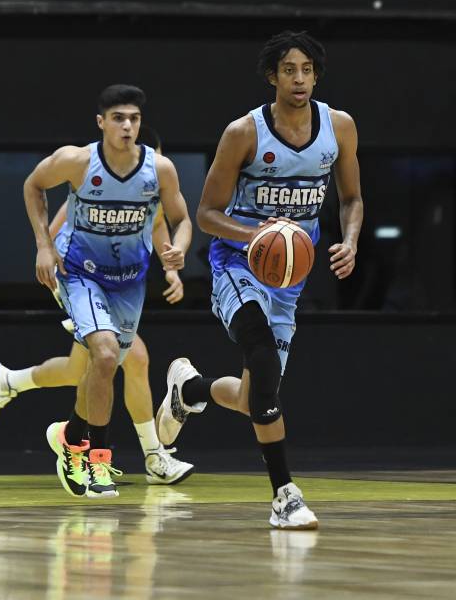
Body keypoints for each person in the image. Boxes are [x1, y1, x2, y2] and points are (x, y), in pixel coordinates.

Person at [155, 31, 363, 529]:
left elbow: (352, 199)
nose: (299, 79)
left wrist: (351, 241)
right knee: (264, 360)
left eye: (307, 70)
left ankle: (191, 389)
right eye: (289, 70)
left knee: (256, 397)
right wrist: (257, 235)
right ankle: (284, 495)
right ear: (273, 76)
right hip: (237, 262)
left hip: (290, 277)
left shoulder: (339, 127)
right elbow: (206, 213)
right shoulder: (243, 133)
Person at [0, 127, 194, 486]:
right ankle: (151, 455)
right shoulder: (98, 186)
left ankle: (8, 382)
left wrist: (171, 268)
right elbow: (57, 228)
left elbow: (157, 226)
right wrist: (49, 253)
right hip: (79, 278)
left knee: (81, 368)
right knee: (131, 358)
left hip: (114, 284)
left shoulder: (151, 184)